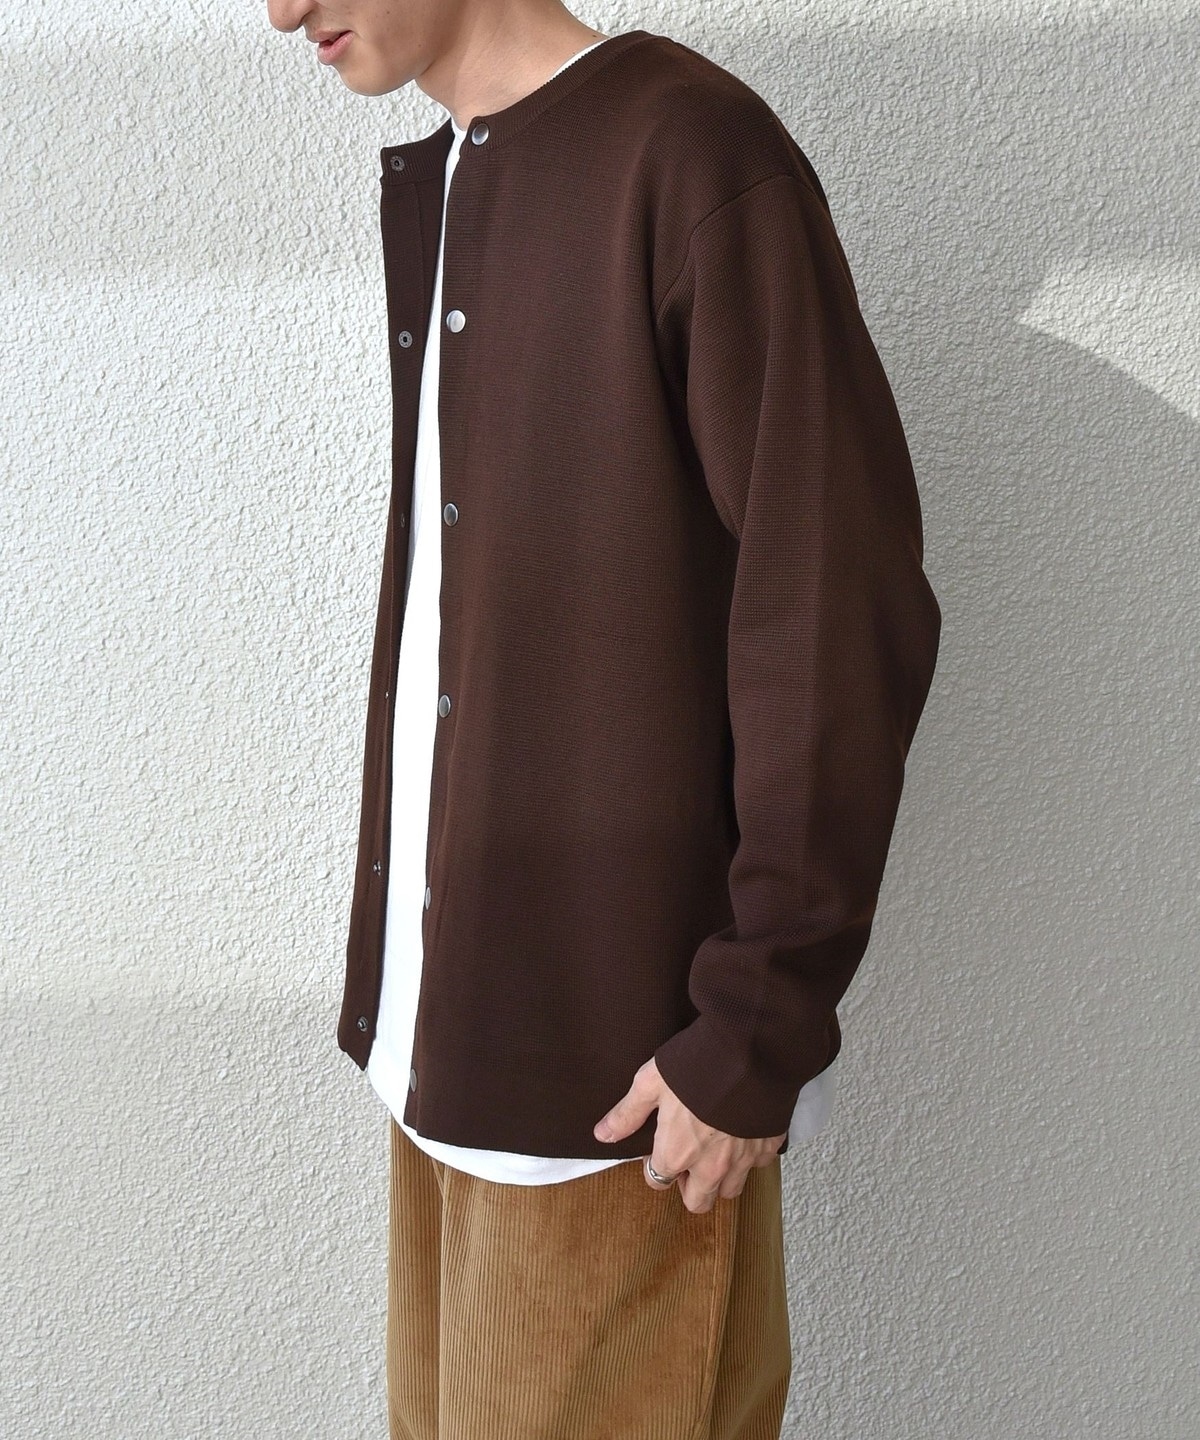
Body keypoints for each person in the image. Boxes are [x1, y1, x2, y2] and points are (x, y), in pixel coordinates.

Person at [267, 4, 942, 1436]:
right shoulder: (463, 169)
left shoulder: (690, 155)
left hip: (621, 1101)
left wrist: (754, 1021)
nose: (274, 10)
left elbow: (836, 603)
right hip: (448, 1063)